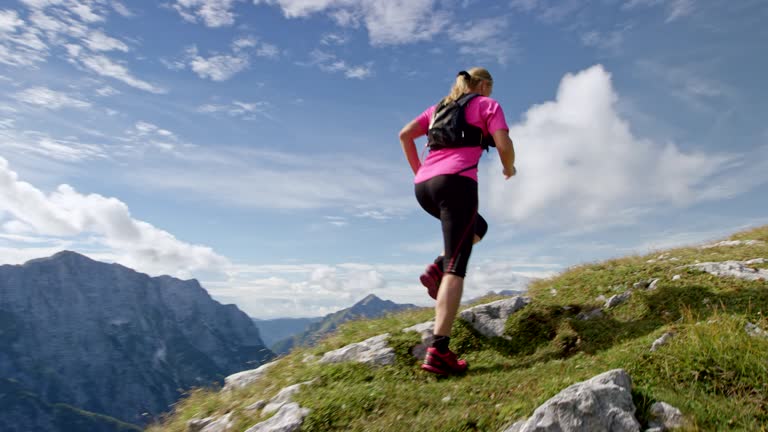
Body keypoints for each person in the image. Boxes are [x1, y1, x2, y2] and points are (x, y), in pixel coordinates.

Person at [399, 67, 516, 375]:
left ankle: (438, 265)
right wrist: (509, 168)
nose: (490, 92)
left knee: (477, 227)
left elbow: (405, 134)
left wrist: (420, 171)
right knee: (457, 267)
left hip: (424, 188)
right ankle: (438, 352)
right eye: (488, 87)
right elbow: (504, 145)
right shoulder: (487, 105)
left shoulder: (438, 108)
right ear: (483, 85)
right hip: (456, 184)